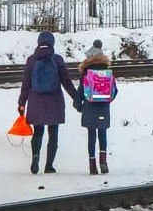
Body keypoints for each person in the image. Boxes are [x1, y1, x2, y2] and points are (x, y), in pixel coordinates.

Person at [18, 31, 77, 175]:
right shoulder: (57, 60)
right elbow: (66, 82)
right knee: (53, 133)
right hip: (54, 101)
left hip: (36, 101)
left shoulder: (31, 60)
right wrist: (77, 97)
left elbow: (26, 84)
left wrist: (21, 103)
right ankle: (49, 165)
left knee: (38, 132)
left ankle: (35, 157)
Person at [74, 39, 117, 175]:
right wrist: (107, 100)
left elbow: (81, 90)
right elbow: (114, 90)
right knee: (102, 132)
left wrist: (78, 105)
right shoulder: (107, 71)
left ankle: (92, 165)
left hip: (89, 106)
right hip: (103, 106)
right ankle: (103, 159)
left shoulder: (86, 73)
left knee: (91, 135)